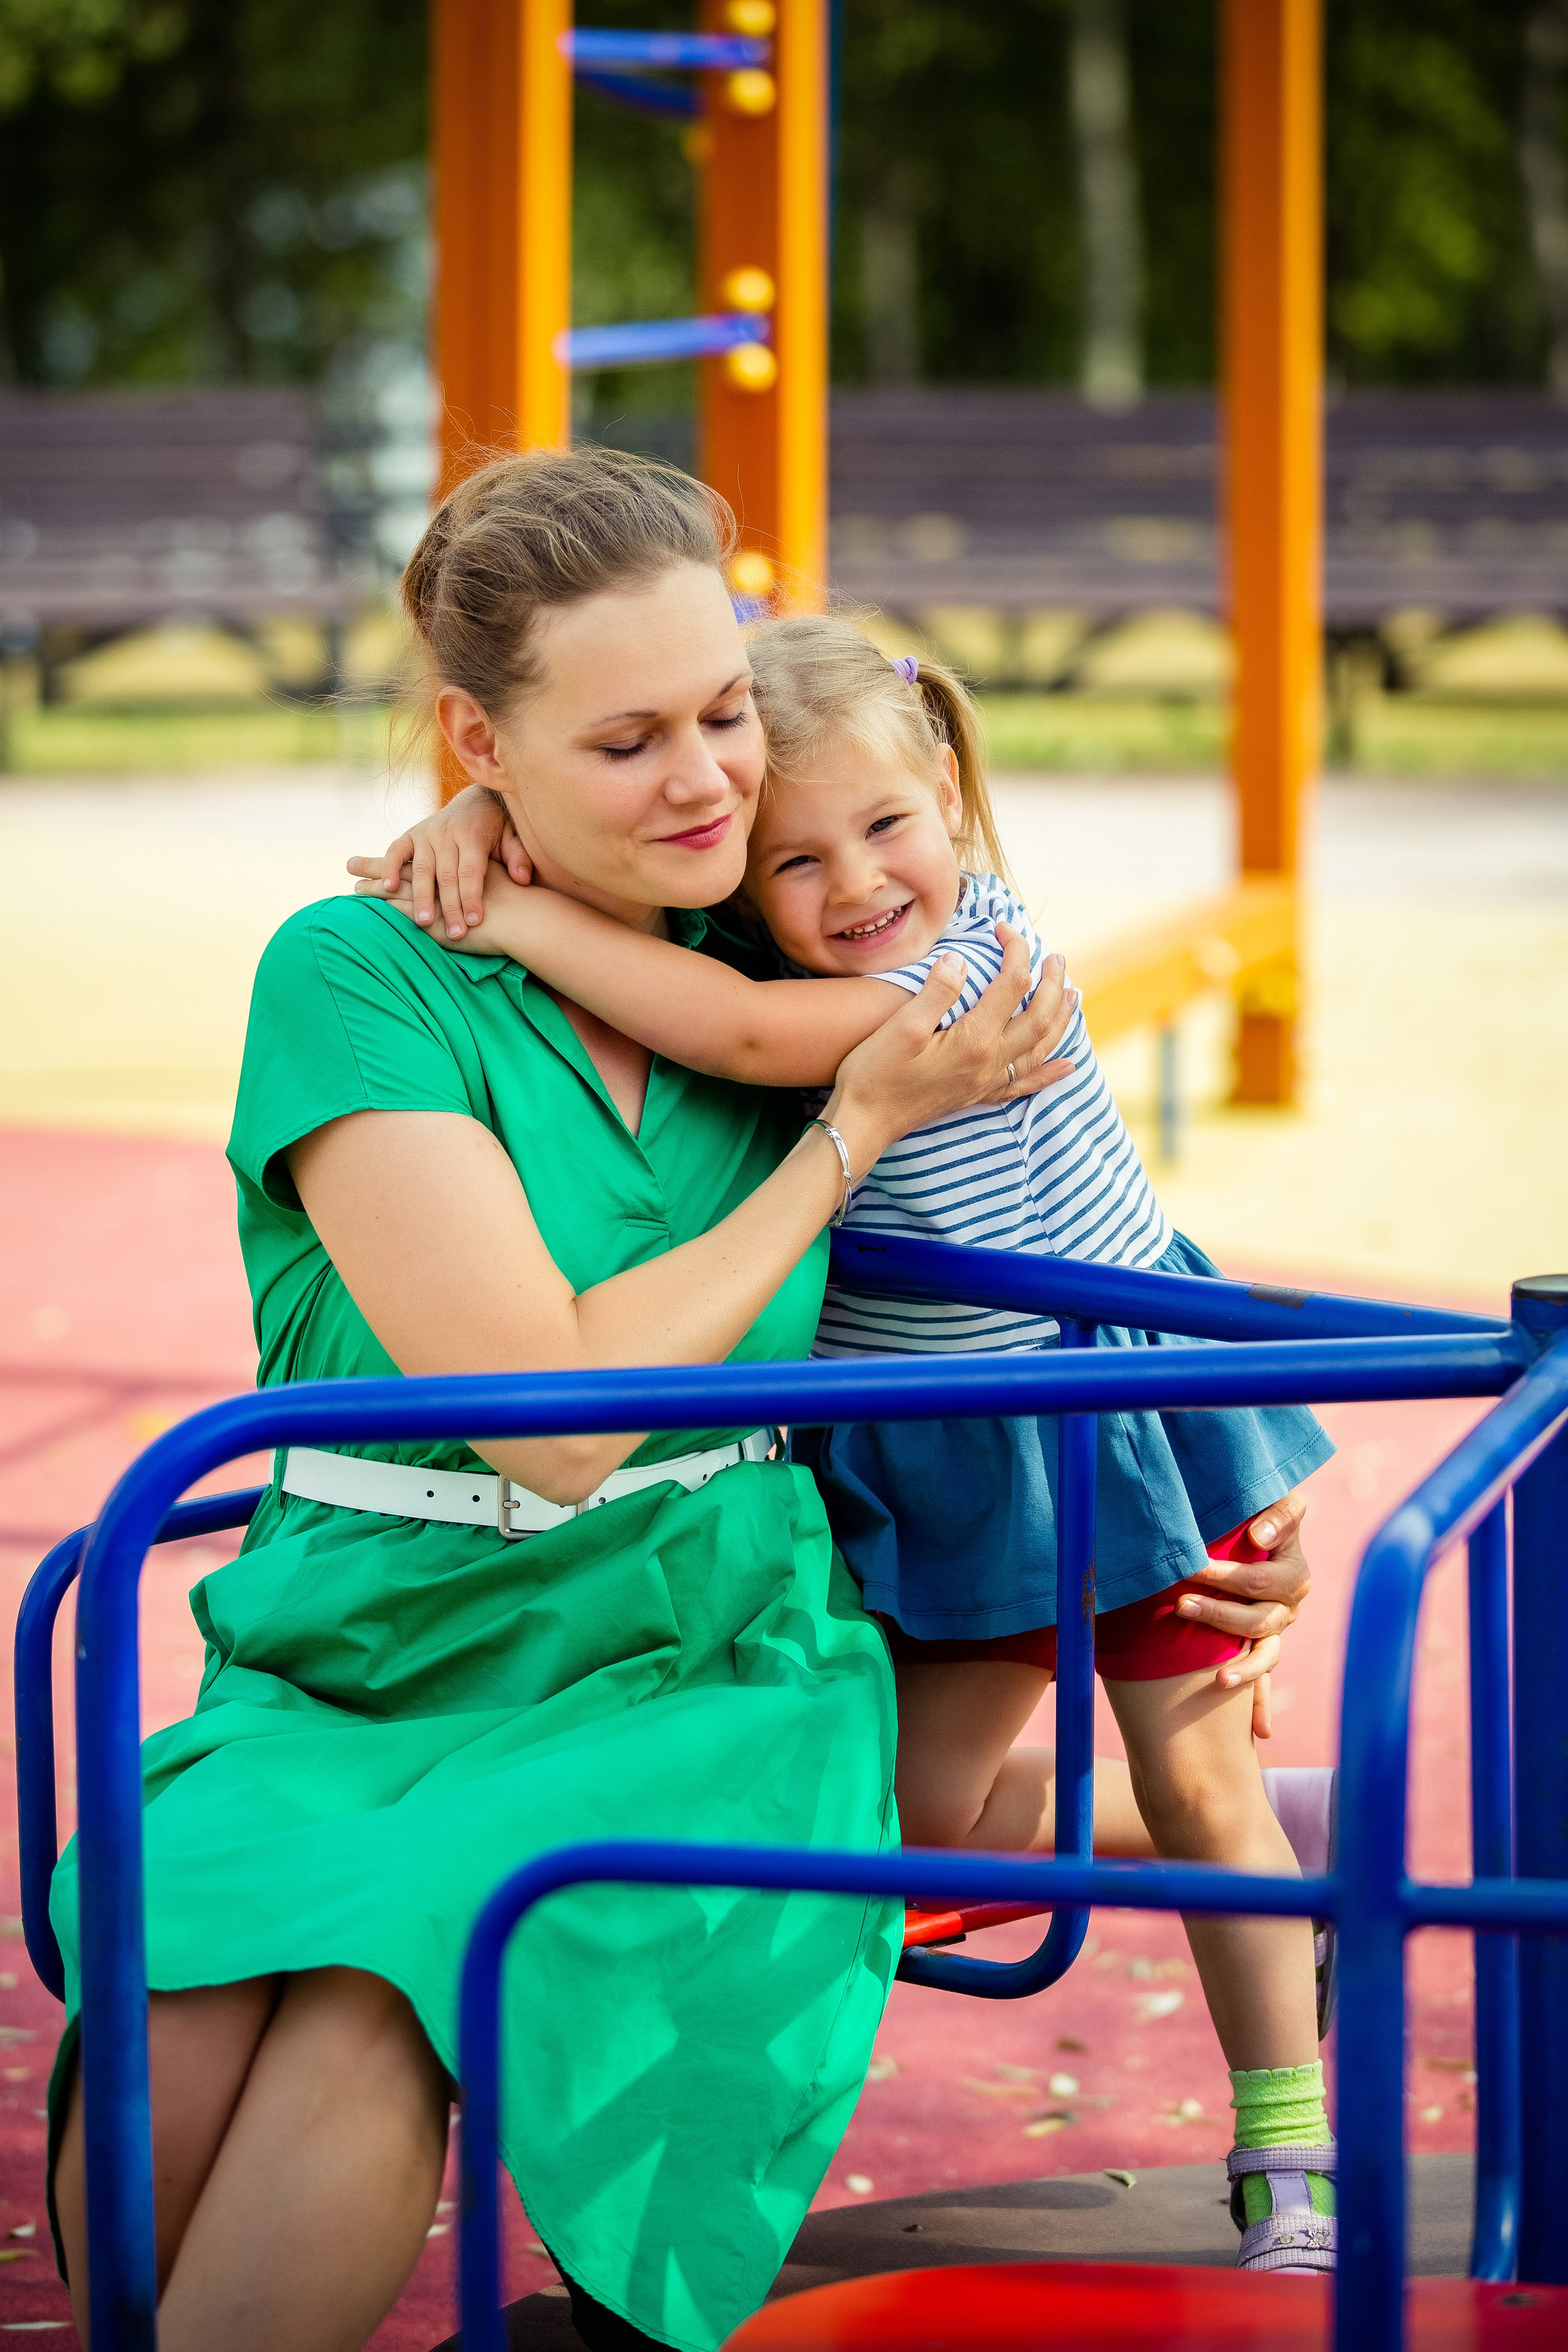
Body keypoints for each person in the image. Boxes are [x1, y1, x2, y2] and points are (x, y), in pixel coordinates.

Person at [44, 451, 1096, 2352]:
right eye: (625, 743)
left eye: (719, 714)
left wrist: (1192, 1553)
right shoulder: (365, 966)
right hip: (370, 1648)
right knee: (174, 2041)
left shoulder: (786, 947)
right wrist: (837, 1148)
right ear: (479, 741)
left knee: (397, 1971)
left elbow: (1055, 1178)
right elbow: (542, 1405)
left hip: (693, 1653)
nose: (707, 781)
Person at [356, 612, 1338, 2281]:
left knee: (1198, 1771)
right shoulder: (778, 961)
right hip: (954, 1450)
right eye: (796, 859)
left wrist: (506, 902)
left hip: (1115, 1410)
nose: (859, 881)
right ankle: (1279, 1834)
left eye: (887, 825)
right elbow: (652, 818)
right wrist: (475, 815)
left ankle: (1285, 2159)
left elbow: (732, 1040)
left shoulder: (966, 971)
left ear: (949, 790)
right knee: (910, 1808)